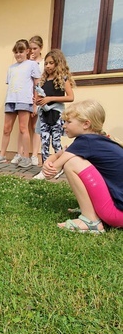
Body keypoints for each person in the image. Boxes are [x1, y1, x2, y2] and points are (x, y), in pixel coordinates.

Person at [41, 100, 123, 234]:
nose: (64, 126)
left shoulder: (86, 141)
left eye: (68, 122)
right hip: (120, 213)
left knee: (71, 163)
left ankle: (91, 220)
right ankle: (91, 209)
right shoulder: (98, 139)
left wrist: (48, 166)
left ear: (86, 124)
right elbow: (61, 154)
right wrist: (49, 161)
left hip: (117, 215)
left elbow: (54, 169)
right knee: (73, 159)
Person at [0, 39, 40, 168]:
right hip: (11, 100)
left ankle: (25, 157)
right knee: (6, 129)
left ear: (27, 51)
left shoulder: (32, 65)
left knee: (23, 129)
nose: (18, 54)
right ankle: (2, 155)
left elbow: (37, 85)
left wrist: (35, 104)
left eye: (21, 51)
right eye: (16, 52)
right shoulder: (11, 68)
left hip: (24, 100)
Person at [33, 49, 75, 180]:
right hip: (44, 115)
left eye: (51, 63)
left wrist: (50, 99)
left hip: (56, 115)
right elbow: (39, 97)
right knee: (44, 142)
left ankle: (58, 167)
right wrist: (38, 101)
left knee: (56, 143)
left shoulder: (63, 79)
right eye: (46, 63)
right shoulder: (43, 80)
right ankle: (45, 169)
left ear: (58, 63)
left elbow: (70, 97)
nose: (48, 66)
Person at [11, 35, 44, 167]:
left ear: (40, 48)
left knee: (34, 127)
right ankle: (21, 153)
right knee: (23, 127)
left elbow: (39, 83)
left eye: (35, 48)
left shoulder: (41, 63)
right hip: (24, 98)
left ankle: (35, 155)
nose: (32, 51)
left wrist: (37, 100)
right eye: (30, 49)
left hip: (37, 98)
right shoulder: (26, 63)